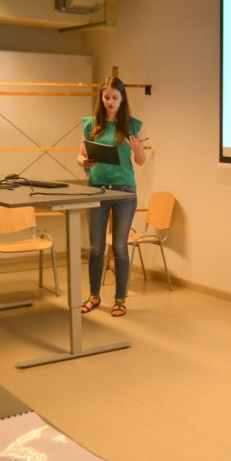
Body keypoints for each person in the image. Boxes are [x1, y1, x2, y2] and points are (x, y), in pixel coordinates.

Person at [77, 76, 146, 317]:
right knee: (96, 247)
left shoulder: (132, 125)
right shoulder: (91, 124)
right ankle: (94, 296)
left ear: (122, 98)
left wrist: (137, 150)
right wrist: (83, 161)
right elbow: (80, 155)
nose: (110, 101)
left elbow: (140, 161)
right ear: (101, 97)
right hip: (97, 189)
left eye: (115, 97)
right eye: (106, 97)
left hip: (124, 191)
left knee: (119, 247)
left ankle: (119, 300)